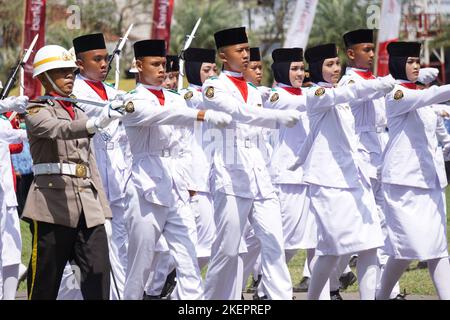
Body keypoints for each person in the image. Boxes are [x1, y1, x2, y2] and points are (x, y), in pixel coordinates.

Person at [120, 39, 232, 300]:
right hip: (145, 186)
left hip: (176, 187)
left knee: (188, 257)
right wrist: (202, 115)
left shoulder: (174, 98)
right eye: (155, 64)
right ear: (138, 66)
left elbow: (183, 146)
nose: (162, 70)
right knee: (141, 264)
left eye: (164, 65)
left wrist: (189, 182)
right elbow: (162, 116)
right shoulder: (134, 101)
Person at [202, 27, 302, 300]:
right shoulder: (213, 87)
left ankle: (280, 296)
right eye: (239, 50)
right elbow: (237, 112)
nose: (246, 55)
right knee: (227, 250)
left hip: (260, 176)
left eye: (247, 49)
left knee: (274, 243)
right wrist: (275, 119)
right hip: (231, 176)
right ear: (224, 56)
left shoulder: (255, 91)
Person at [290, 43, 396, 299]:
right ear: (316, 68)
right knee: (332, 249)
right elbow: (349, 93)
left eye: (337, 63)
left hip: (354, 177)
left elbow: (322, 133)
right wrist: (382, 83)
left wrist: (299, 158)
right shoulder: (315, 95)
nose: (336, 68)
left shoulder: (339, 92)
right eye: (329, 64)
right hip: (327, 182)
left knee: (371, 244)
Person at [22, 44, 122, 300]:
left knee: (99, 279)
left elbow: (90, 166)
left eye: (72, 72)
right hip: (51, 207)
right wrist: (96, 122)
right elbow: (59, 130)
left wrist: (104, 212)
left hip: (88, 209)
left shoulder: (78, 110)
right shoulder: (36, 111)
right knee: (45, 285)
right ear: (45, 77)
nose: (70, 77)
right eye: (62, 72)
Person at [376, 42, 450, 300]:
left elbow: (435, 131)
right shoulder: (396, 94)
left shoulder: (419, 95)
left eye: (417, 61)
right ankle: (382, 295)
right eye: (410, 61)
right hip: (403, 182)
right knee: (406, 248)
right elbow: (426, 96)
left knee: (437, 248)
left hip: (430, 182)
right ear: (398, 65)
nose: (416, 65)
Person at [66, 32, 135, 300]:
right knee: (91, 250)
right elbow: (90, 115)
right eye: (97, 59)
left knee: (121, 245)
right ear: (80, 64)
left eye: (106, 58)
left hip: (117, 181)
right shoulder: (75, 92)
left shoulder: (111, 91)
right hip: (90, 183)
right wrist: (112, 107)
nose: (104, 64)